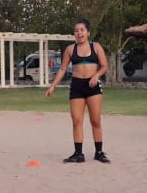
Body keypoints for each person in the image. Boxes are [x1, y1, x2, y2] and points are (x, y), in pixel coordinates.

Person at [46, 19, 110, 163]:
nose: (79, 33)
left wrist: (96, 75)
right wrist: (53, 86)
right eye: (76, 30)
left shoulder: (96, 47)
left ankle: (99, 152)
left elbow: (104, 66)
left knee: (95, 120)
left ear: (88, 32)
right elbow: (62, 69)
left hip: (93, 86)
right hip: (77, 86)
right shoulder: (70, 49)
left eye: (82, 30)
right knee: (76, 120)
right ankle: (78, 154)